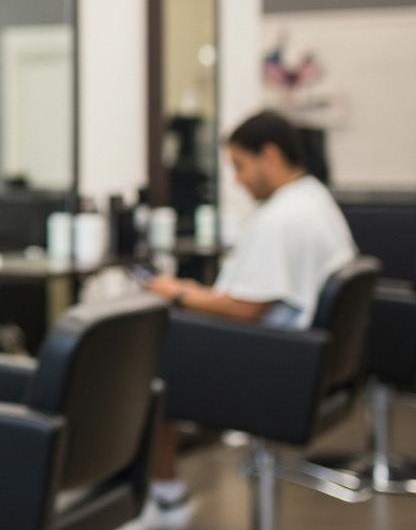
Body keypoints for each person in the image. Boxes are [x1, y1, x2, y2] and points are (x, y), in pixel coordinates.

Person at [139, 110, 357, 528]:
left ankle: (165, 499)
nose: (237, 180)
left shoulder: (283, 217)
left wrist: (177, 292)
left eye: (239, 166)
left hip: (278, 371)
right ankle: (162, 495)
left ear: (269, 156)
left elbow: (247, 308)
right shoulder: (313, 198)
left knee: (155, 359)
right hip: (310, 364)